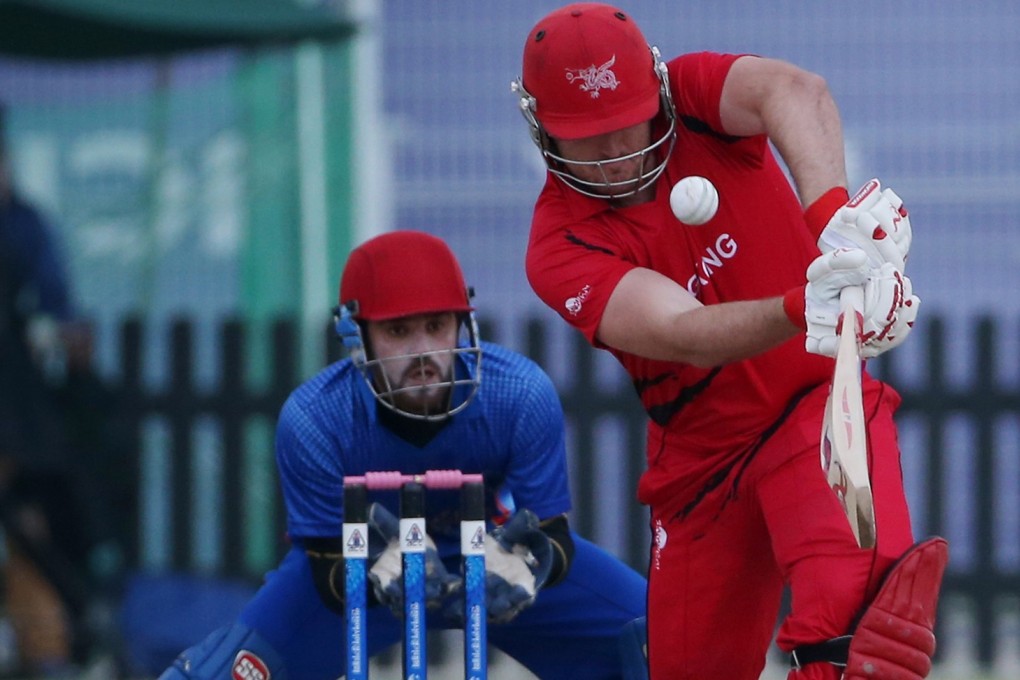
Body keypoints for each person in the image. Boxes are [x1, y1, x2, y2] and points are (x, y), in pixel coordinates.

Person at [511, 4, 947, 680]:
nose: (616, 153)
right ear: (542, 130)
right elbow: (682, 333)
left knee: (858, 642)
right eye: (587, 136)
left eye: (627, 119)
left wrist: (835, 222)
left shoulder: (692, 98)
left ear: (655, 89)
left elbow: (794, 91)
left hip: (816, 408)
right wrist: (803, 305)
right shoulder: (557, 246)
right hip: (700, 469)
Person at [159, 230, 648, 680]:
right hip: (368, 564)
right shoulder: (314, 419)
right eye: (397, 331)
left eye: (436, 326)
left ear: (463, 323)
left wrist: (527, 561)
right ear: (357, 335)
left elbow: (551, 534)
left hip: (489, 554)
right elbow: (325, 561)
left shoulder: (519, 393)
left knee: (666, 644)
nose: (422, 353)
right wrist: (374, 574)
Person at [0, 99, 119, 676]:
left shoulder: (23, 226)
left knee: (31, 540)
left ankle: (48, 655)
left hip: (18, 424)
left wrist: (58, 340)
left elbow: (64, 323)